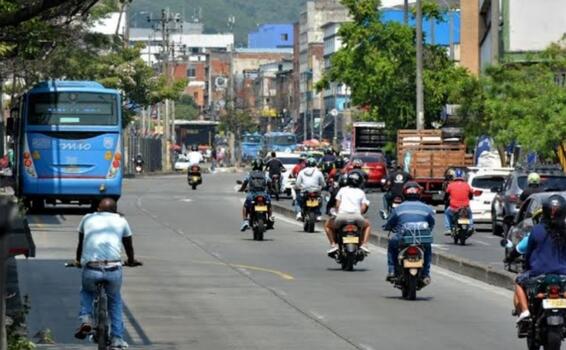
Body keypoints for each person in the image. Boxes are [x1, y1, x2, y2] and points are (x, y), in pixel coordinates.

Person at [73, 198, 142, 349]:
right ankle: (117, 339)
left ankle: (86, 319)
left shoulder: (88, 218)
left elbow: (81, 243)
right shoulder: (121, 220)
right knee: (115, 300)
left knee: (86, 291)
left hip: (91, 268)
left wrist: (78, 261)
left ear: (98, 208)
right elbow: (128, 245)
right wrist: (131, 260)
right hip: (113, 269)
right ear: (115, 209)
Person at [512, 195, 566, 334]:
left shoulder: (536, 230)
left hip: (538, 275)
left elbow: (528, 253)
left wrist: (527, 266)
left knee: (518, 281)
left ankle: (524, 312)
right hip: (563, 276)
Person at [383, 182, 435, 284]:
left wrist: (387, 227)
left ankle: (392, 271)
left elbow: (390, 222)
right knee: (428, 249)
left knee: (392, 245)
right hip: (421, 238)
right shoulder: (427, 208)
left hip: (402, 237)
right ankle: (425, 274)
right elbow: (431, 223)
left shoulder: (398, 208)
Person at [324, 172, 371, 255]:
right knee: (368, 225)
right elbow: (363, 208)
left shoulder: (342, 190)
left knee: (327, 225)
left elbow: (338, 205)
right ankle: (364, 244)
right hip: (357, 217)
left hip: (341, 217)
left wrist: (338, 211)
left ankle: (333, 245)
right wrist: (358, 212)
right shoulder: (361, 192)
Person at [239, 159, 273, 231]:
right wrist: (270, 189)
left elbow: (245, 183)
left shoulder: (250, 173)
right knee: (269, 204)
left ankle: (245, 221)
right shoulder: (265, 174)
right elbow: (270, 182)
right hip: (264, 194)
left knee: (245, 206)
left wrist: (241, 189)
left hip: (252, 194)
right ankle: (270, 217)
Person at [443, 168, 474, 235]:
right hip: (465, 208)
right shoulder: (467, 185)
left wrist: (445, 200)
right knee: (470, 215)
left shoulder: (450, 185)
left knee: (446, 213)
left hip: (453, 208)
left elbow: (446, 195)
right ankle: (471, 227)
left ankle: (448, 228)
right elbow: (471, 195)